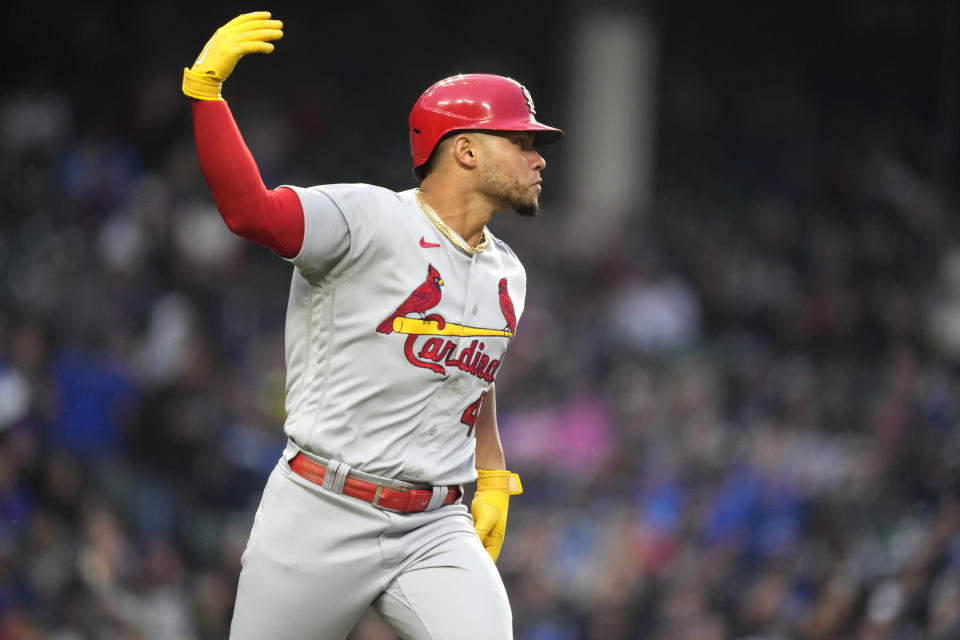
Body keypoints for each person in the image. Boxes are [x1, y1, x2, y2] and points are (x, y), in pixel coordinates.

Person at [181, 11, 563, 639]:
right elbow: (252, 215)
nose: (537, 157)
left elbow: (470, 370)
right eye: (520, 142)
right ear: (465, 148)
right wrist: (207, 98)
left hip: (434, 527)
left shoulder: (508, 272)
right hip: (319, 509)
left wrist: (491, 470)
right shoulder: (364, 218)